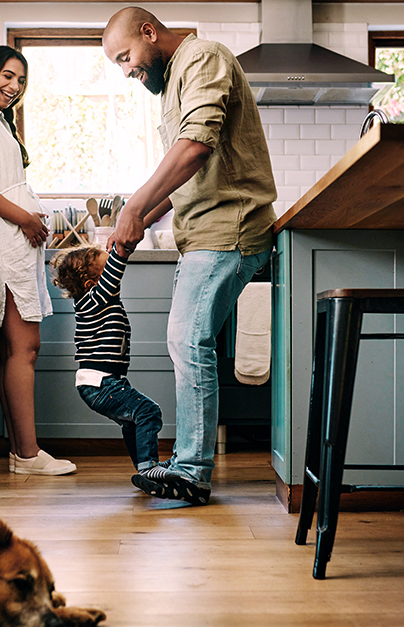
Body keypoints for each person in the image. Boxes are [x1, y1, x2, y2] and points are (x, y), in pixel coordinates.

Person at [101, 7, 277, 504]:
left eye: (127, 57)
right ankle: (189, 465)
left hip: (229, 229)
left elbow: (196, 146)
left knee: (186, 339)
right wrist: (138, 221)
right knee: (186, 341)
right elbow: (185, 172)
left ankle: (192, 471)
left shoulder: (202, 57)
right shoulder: (175, 78)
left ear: (149, 33)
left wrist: (135, 205)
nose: (128, 70)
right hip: (201, 233)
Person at [0, 45, 76, 475]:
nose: (14, 86)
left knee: (13, 349)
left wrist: (31, 217)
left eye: (21, 80)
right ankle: (28, 455)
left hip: (10, 244)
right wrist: (25, 218)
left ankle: (20, 453)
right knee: (25, 348)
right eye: (7, 76)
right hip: (6, 246)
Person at [49, 244, 164, 478]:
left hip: (104, 383)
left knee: (133, 421)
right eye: (106, 266)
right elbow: (115, 272)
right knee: (148, 411)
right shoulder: (94, 299)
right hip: (101, 384)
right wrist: (122, 249)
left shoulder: (94, 303)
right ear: (93, 284)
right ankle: (149, 468)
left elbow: (110, 276)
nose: (113, 275)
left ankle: (144, 468)